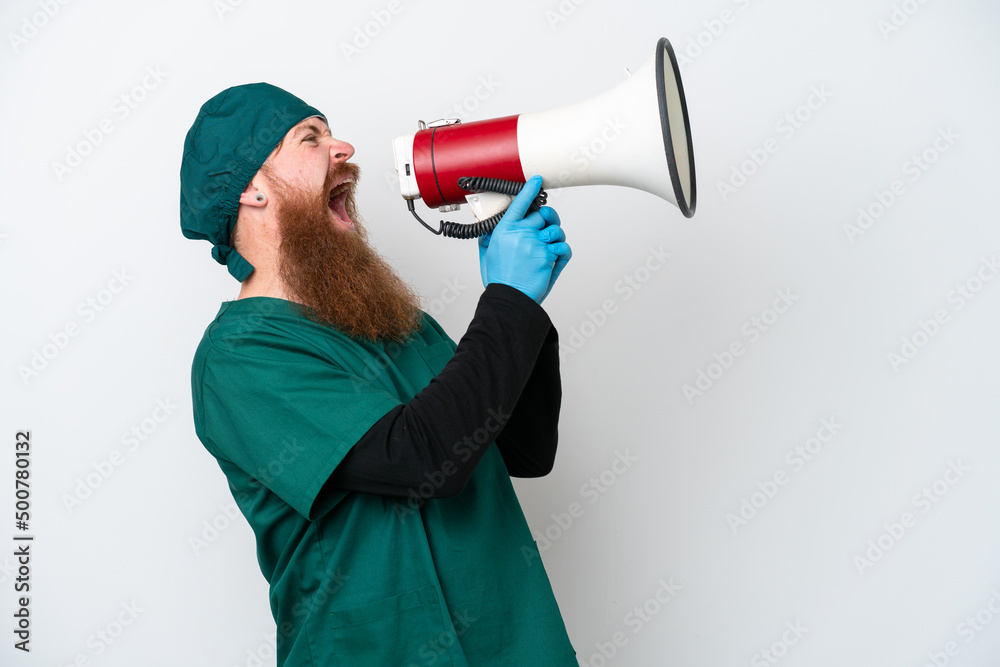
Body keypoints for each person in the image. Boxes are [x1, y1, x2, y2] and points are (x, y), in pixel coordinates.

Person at [179, 82, 578, 666]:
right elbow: (421, 457)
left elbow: (523, 449)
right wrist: (507, 300)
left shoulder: (393, 321)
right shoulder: (240, 357)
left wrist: (523, 307)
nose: (342, 147)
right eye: (310, 137)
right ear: (252, 190)